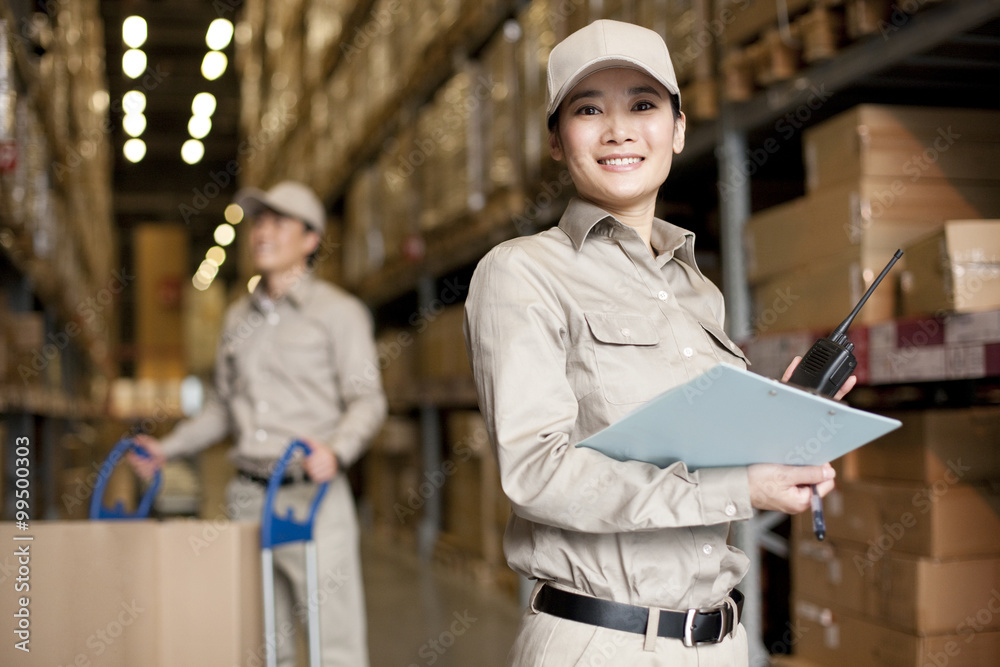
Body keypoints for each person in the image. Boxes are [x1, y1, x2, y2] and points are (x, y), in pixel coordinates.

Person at [463, 20, 853, 666]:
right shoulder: (520, 272)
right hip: (604, 642)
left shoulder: (696, 288)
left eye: (643, 105)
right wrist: (739, 487)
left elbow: (683, 448)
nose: (618, 130)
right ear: (558, 141)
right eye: (589, 110)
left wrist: (773, 425)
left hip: (722, 640)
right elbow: (538, 472)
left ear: (676, 128)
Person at [128, 180, 387, 667]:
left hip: (312, 500)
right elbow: (224, 409)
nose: (262, 232)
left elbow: (368, 400)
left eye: (278, 222)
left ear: (310, 239)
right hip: (248, 497)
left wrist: (337, 450)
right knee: (263, 645)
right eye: (258, 221)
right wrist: (169, 449)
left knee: (335, 648)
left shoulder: (339, 314)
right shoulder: (234, 319)